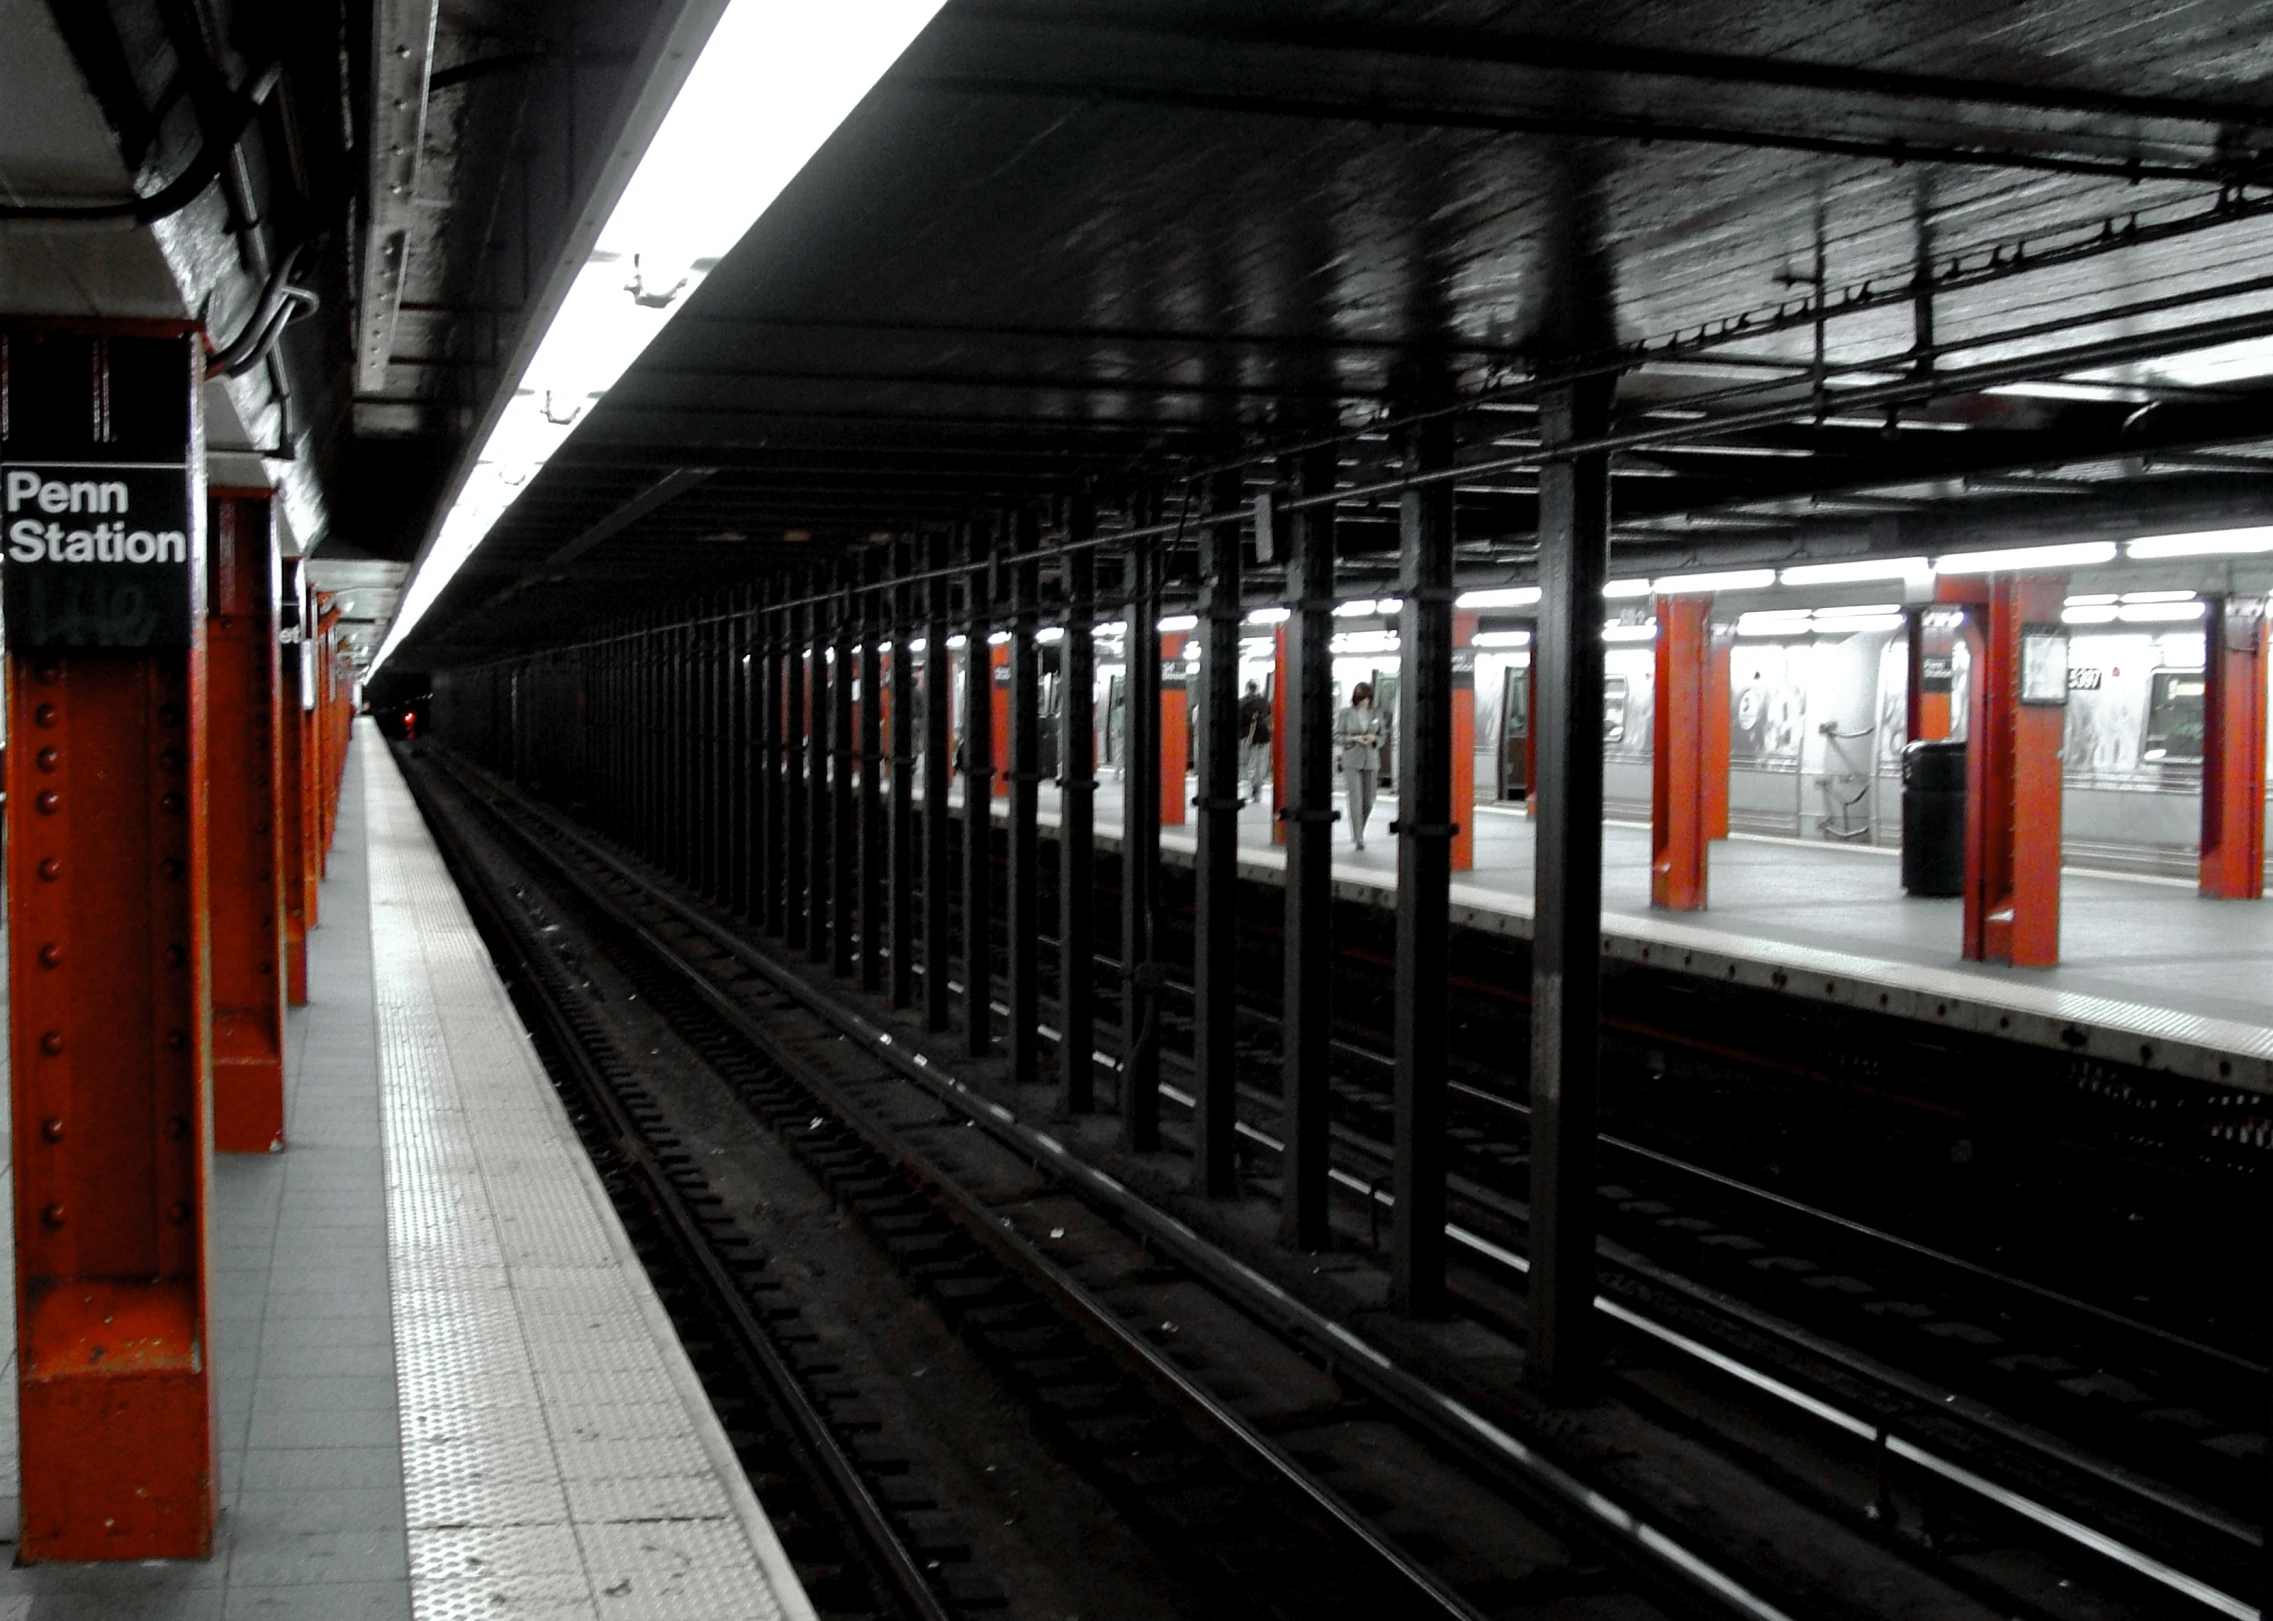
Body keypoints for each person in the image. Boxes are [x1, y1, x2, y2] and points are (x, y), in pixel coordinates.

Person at [1334, 682, 1388, 849]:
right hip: (1352, 760)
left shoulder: (1376, 713)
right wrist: (1353, 739)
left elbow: (1383, 734)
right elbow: (1336, 735)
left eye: (1368, 698)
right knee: (1355, 799)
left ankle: (1360, 830)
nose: (1366, 702)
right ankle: (1358, 837)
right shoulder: (1346, 713)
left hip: (1371, 760)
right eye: (1363, 699)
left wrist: (1375, 740)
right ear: (1356, 699)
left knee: (1369, 800)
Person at [1237, 681, 1271, 801]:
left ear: (1247, 688)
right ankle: (1258, 792)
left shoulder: (1242, 702)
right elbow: (1268, 715)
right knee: (1261, 764)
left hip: (1249, 737)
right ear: (1257, 688)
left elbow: (1239, 721)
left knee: (1248, 764)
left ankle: (1251, 790)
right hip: (1264, 736)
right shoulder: (1263, 701)